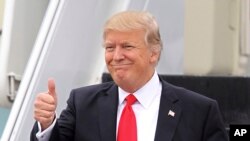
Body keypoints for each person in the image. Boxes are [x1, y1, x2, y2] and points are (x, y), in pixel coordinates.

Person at [30, 11, 229, 141]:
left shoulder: (199, 112)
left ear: (154, 53)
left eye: (127, 46)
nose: (116, 56)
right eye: (110, 47)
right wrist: (46, 123)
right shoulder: (82, 103)